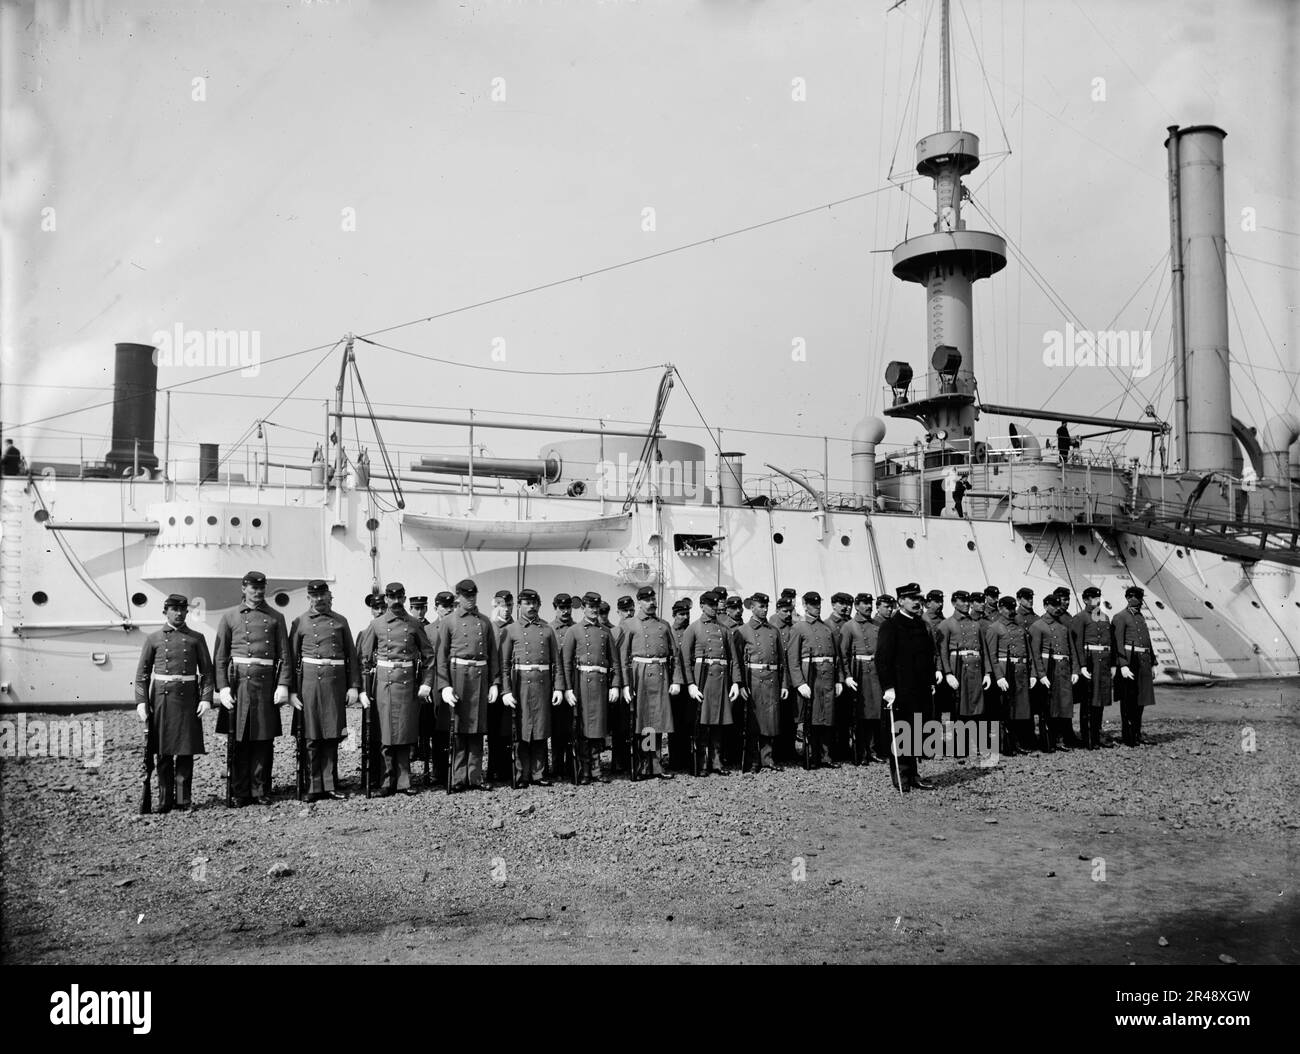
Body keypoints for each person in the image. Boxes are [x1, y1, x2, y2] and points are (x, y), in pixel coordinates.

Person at [214, 571, 291, 806]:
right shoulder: (229, 617)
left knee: (263, 740)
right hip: (239, 683)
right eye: (253, 588)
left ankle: (261, 790)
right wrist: (223, 688)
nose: (258, 592)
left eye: (261, 588)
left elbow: (285, 656)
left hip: (265, 684)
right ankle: (240, 791)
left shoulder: (276, 617)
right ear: (243, 588)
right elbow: (220, 657)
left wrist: (283, 685)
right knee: (239, 740)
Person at [134, 594, 213, 813]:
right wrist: (141, 701)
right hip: (162, 700)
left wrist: (206, 698)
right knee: (164, 752)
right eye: (174, 609)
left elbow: (207, 672)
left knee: (186, 752)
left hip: (188, 699)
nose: (178, 613)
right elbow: (142, 674)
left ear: (187, 612)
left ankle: (183, 800)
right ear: (165, 611)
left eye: (182, 609)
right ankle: (164, 800)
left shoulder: (197, 638)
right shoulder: (153, 639)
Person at [358, 582, 435, 795]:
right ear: (387, 600)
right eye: (392, 598)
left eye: (400, 597)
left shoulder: (413, 624)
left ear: (404, 597)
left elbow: (428, 656)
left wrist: (426, 683)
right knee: (385, 733)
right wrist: (364, 690)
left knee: (404, 732)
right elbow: (364, 660)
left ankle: (404, 781)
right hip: (383, 684)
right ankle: (386, 781)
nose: (396, 601)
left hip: (407, 683)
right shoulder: (377, 625)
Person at [289, 580, 361, 801]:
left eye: (323, 595)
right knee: (311, 736)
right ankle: (313, 785)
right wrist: (291, 691)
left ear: (329, 596)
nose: (319, 599)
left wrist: (354, 686)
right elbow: (291, 659)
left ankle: (330, 784)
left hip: (334, 684)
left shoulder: (340, 622)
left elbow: (351, 656)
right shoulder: (299, 622)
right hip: (309, 685)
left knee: (331, 735)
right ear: (308, 598)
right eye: (314, 596)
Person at [435, 579, 501, 790]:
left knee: (477, 728)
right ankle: (457, 777)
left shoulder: (484, 622)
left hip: (480, 677)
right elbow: (441, 657)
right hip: (458, 676)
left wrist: (494, 683)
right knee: (458, 728)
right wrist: (444, 685)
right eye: (466, 596)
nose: (470, 599)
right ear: (458, 597)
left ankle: (474, 777)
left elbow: (492, 656)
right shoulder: (448, 622)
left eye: (473, 595)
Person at [875, 582, 937, 791]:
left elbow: (928, 656)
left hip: (920, 689)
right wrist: (888, 688)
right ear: (901, 601)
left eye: (919, 598)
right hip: (901, 690)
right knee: (901, 732)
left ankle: (914, 774)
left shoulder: (922, 625)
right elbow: (882, 659)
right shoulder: (890, 626)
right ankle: (901, 776)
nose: (917, 602)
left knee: (917, 731)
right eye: (912, 598)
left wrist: (930, 681)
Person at [618, 586, 683, 780]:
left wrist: (676, 680)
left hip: (661, 674)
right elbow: (623, 657)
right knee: (642, 722)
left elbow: (675, 654)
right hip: (640, 675)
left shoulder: (663, 625)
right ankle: (642, 765)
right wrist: (626, 684)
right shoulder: (629, 624)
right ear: (639, 602)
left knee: (657, 722)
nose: (651, 603)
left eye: (653, 599)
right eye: (646, 600)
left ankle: (655, 765)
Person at [500, 588, 564, 787]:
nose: (532, 607)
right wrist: (506, 690)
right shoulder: (511, 630)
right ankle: (521, 774)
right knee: (521, 731)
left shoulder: (547, 629)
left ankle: (539, 774)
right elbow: (503, 664)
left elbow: (557, 662)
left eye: (535, 603)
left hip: (542, 684)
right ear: (519, 605)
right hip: (520, 684)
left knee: (540, 730)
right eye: (527, 603)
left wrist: (558, 688)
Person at [562, 591, 622, 784]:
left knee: (598, 730)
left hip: (601, 685)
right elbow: (566, 663)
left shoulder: (605, 631)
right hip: (581, 683)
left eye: (597, 607)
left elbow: (615, 661)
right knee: (582, 729)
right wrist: (568, 689)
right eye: (591, 607)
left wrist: (615, 685)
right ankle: (584, 770)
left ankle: (597, 769)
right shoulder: (574, 631)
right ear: (583, 608)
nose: (594, 610)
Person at [681, 590, 742, 777]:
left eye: (716, 605)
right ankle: (701, 763)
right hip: (703, 679)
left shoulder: (724, 629)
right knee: (702, 724)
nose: (715, 608)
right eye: (710, 605)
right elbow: (684, 659)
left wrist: (735, 682)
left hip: (721, 679)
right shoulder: (693, 629)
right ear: (702, 606)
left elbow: (733, 659)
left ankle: (716, 762)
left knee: (718, 723)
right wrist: (690, 684)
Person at [786, 591, 843, 769]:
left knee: (827, 717)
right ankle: (811, 756)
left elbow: (837, 657)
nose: (816, 607)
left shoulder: (827, 628)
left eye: (818, 604)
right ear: (804, 605)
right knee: (810, 718)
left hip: (827, 676)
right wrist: (799, 683)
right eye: (811, 604)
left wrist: (839, 679)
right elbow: (792, 659)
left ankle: (826, 756)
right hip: (810, 676)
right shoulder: (798, 628)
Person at [936, 590, 993, 757]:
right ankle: (959, 746)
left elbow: (984, 650)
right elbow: (942, 651)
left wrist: (988, 673)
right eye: (962, 600)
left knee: (978, 707)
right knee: (959, 707)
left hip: (976, 668)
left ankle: (978, 744)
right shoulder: (946, 624)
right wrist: (947, 673)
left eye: (968, 600)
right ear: (954, 603)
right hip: (958, 668)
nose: (967, 603)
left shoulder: (976, 624)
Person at [734, 592, 786, 772]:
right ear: (752, 607)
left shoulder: (774, 631)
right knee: (753, 722)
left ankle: (768, 759)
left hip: (771, 679)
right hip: (753, 679)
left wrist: (785, 684)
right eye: (761, 606)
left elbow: (782, 661)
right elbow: (737, 661)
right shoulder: (742, 631)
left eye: (766, 606)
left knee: (770, 721)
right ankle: (753, 760)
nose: (764, 610)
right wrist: (739, 684)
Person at [984, 595, 1034, 756]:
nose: (1011, 611)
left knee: (1020, 709)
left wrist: (1032, 673)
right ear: (1000, 608)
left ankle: (1018, 742)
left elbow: (1028, 651)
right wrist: (998, 676)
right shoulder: (994, 628)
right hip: (1005, 671)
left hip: (1020, 671)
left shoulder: (1019, 627)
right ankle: (1006, 744)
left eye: (1013, 608)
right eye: (1007, 608)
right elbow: (992, 655)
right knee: (1005, 710)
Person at [839, 592, 883, 765]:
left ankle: (872, 750)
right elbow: (843, 654)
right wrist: (847, 676)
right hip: (858, 673)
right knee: (860, 715)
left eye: (869, 603)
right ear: (856, 606)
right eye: (864, 603)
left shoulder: (877, 625)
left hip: (875, 672)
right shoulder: (849, 626)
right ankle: (860, 751)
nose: (868, 606)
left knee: (874, 714)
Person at [1029, 591, 1075, 752]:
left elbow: (1071, 650)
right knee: (1048, 707)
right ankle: (1047, 740)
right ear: (1045, 606)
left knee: (1063, 705)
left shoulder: (1063, 626)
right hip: (1049, 670)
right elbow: (1035, 653)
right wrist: (1040, 674)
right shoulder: (1038, 626)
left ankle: (1060, 738)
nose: (1057, 608)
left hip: (1063, 669)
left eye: (1058, 605)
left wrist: (1075, 670)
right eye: (1053, 605)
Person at [1070, 586, 1115, 749]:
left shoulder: (1105, 618)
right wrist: (1082, 666)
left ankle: (1097, 736)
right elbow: (1077, 644)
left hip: (1103, 663)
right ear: (1086, 600)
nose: (1097, 600)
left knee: (1100, 701)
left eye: (1098, 597)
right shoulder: (1080, 618)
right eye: (1093, 598)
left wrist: (1112, 665)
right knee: (1088, 702)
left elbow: (1110, 643)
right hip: (1089, 663)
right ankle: (1088, 738)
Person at [1113, 586, 1155, 746]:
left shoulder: (1141, 617)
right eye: (1132, 597)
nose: (1136, 600)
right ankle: (1128, 736)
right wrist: (1123, 665)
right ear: (1127, 598)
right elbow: (1118, 643)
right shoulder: (1120, 617)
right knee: (1128, 700)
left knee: (1141, 700)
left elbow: (1147, 640)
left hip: (1143, 661)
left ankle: (1137, 733)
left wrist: (1153, 662)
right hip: (1130, 661)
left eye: (1138, 597)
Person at [548, 593, 577, 782]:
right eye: (561, 608)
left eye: (568, 608)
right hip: (554, 684)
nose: (565, 611)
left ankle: (571, 765)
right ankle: (556, 766)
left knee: (572, 727)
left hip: (574, 683)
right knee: (556, 728)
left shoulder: (577, 628)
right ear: (555, 608)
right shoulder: (549, 629)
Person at [488, 590, 516, 783]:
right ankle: (493, 768)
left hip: (512, 684)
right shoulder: (489, 627)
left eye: (508, 606)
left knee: (509, 729)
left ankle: (508, 768)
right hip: (493, 685)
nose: (505, 610)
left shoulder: (516, 627)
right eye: (501, 605)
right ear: (494, 605)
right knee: (493, 729)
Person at [608, 595, 636, 774]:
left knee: (642, 724)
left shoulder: (640, 628)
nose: (629, 613)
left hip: (639, 681)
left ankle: (643, 757)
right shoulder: (616, 631)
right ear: (618, 612)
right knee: (621, 726)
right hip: (622, 683)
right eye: (625, 610)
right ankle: (619, 761)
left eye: (631, 610)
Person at [668, 598, 693, 771]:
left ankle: (687, 758)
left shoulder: (691, 632)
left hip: (690, 683)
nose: (684, 617)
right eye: (681, 614)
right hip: (673, 683)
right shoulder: (668, 632)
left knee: (688, 722)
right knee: (673, 723)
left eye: (687, 614)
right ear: (674, 615)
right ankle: (674, 759)